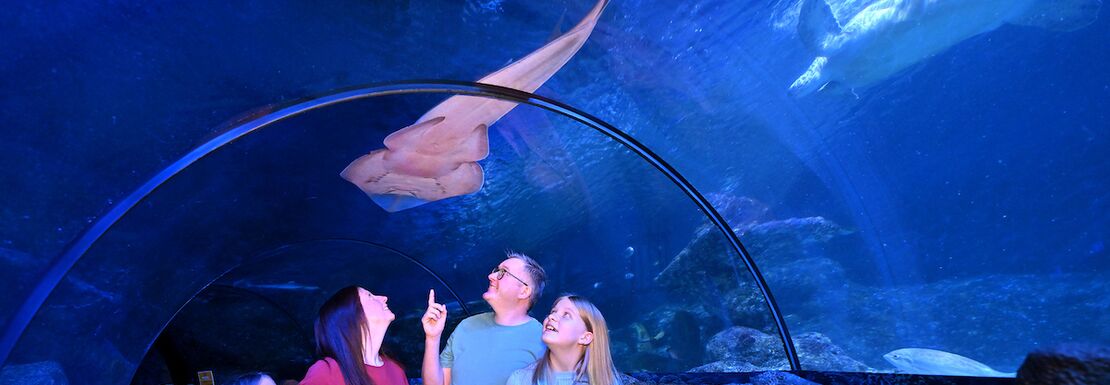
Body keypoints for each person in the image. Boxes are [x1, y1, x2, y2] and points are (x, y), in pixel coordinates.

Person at [422, 252, 548, 385]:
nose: (491, 276)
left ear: (524, 291)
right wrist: (432, 338)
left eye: (503, 272)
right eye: (496, 270)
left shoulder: (543, 340)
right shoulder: (466, 326)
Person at [299, 286, 407, 385]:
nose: (384, 298)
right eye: (369, 296)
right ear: (351, 316)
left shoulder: (396, 370)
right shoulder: (326, 371)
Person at [505, 295, 622, 385]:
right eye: (553, 312)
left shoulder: (608, 381)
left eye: (566, 315)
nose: (551, 317)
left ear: (585, 337)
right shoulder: (521, 379)